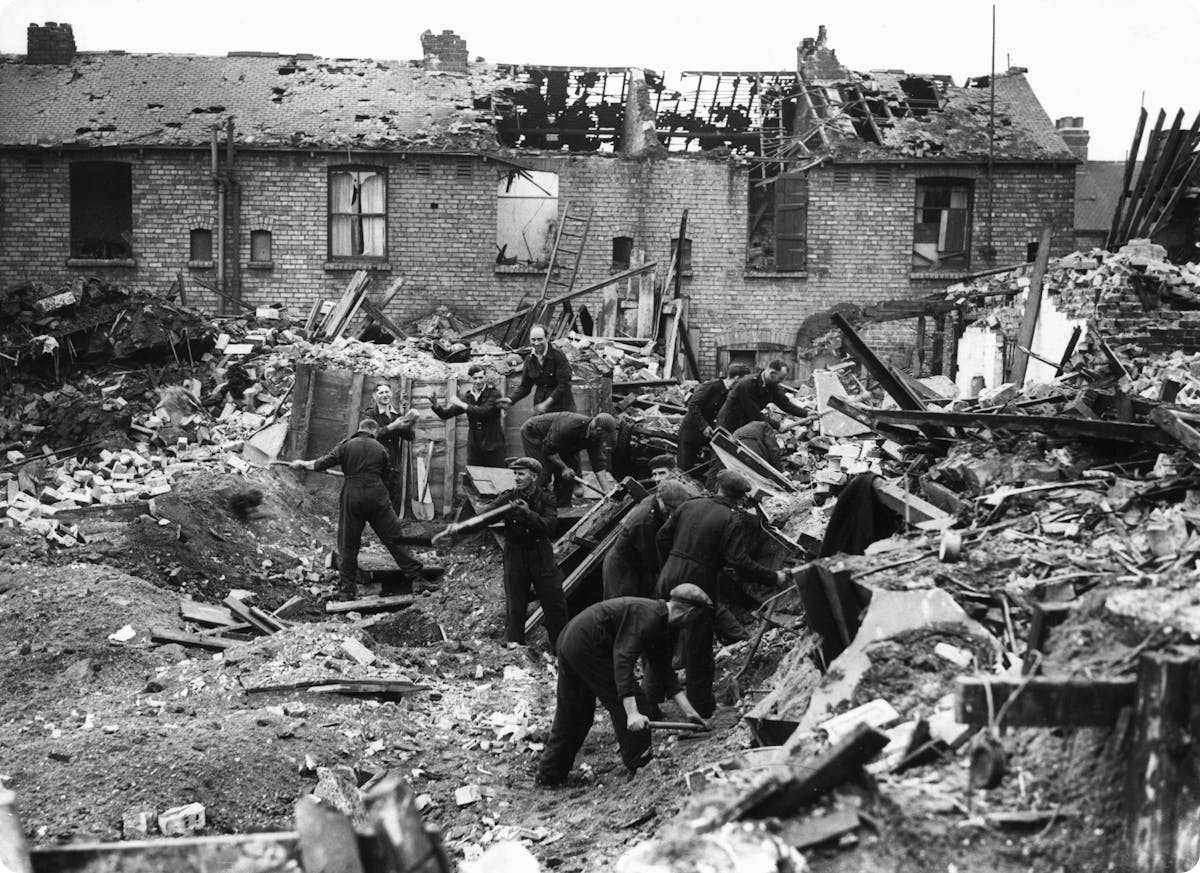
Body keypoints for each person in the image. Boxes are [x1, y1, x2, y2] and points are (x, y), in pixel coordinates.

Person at [536, 584, 713, 787]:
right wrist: (632, 713)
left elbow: (665, 673)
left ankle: (549, 775)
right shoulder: (650, 618)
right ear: (690, 613)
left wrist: (690, 713)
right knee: (637, 703)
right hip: (586, 643)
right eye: (695, 619)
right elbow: (622, 661)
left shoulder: (659, 623)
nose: (691, 626)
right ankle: (641, 767)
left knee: (575, 712)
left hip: (572, 639)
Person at [651, 470, 792, 717]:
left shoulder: (690, 505)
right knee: (698, 649)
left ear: (717, 487)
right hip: (698, 585)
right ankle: (702, 710)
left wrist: (670, 566)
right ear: (740, 497)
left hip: (668, 577)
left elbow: (662, 537)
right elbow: (738, 561)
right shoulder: (731, 518)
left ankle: (650, 705)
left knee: (660, 642)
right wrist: (774, 577)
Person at [290, 419, 442, 599]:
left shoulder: (345, 446)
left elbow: (320, 464)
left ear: (359, 429)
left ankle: (347, 590)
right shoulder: (381, 449)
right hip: (377, 496)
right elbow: (388, 476)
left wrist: (301, 463)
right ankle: (417, 579)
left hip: (352, 496)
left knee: (348, 544)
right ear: (374, 432)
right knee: (396, 538)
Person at [488, 457, 568, 651]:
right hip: (515, 554)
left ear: (533, 476)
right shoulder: (508, 498)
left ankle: (562, 651)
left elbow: (550, 526)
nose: (516, 478)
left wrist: (528, 513)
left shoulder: (547, 498)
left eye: (521, 474)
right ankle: (516, 650)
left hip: (541, 554)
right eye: (515, 474)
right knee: (515, 605)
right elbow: (485, 516)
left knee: (554, 603)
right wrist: (458, 528)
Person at [602, 479, 692, 600]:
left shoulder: (655, 500)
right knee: (622, 603)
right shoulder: (645, 521)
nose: (673, 513)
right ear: (660, 498)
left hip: (639, 562)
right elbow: (653, 559)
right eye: (670, 508)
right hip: (623, 567)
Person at [520, 411, 618, 507]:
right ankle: (531, 505)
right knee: (543, 473)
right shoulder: (570, 427)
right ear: (599, 430)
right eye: (605, 435)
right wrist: (564, 468)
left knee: (569, 476)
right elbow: (548, 450)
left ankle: (561, 506)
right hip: (534, 433)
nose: (604, 438)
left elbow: (598, 462)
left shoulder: (595, 435)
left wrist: (606, 491)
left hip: (557, 442)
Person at [676, 363, 751, 482]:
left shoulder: (731, 393)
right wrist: (704, 426)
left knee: (715, 460)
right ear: (737, 378)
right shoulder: (711, 386)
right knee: (684, 468)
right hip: (691, 432)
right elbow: (693, 405)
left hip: (708, 434)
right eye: (744, 381)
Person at [431, 365, 506, 468]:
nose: (478, 381)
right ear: (470, 379)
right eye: (475, 378)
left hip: (493, 441)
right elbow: (446, 414)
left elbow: (484, 411)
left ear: (485, 377)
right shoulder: (468, 397)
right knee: (473, 473)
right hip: (475, 443)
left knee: (496, 473)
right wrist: (435, 404)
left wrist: (461, 404)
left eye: (481, 377)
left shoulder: (494, 394)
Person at [364, 382, 418, 514]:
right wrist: (393, 426)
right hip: (376, 461)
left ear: (391, 394)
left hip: (393, 461)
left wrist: (410, 423)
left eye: (387, 392)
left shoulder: (396, 415)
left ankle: (390, 523)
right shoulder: (370, 414)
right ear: (374, 396)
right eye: (381, 392)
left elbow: (409, 437)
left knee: (393, 495)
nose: (385, 395)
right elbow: (370, 435)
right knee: (376, 495)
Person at [716, 360, 807, 434]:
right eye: (780, 378)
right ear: (772, 373)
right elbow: (754, 414)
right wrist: (778, 426)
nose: (781, 381)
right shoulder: (747, 385)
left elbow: (785, 404)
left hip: (743, 424)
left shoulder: (771, 385)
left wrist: (806, 413)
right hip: (728, 425)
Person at [502, 325, 574, 414]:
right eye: (533, 340)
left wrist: (546, 404)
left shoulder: (558, 356)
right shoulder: (529, 359)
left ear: (546, 338)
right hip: (540, 406)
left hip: (562, 407)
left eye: (540, 339)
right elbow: (525, 386)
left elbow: (564, 384)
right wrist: (511, 399)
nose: (536, 343)